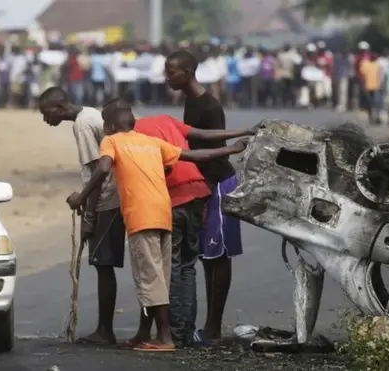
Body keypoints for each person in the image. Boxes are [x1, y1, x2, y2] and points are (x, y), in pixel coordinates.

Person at [65, 98, 249, 352]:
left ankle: (165, 337)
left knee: (150, 279)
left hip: (143, 217)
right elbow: (194, 154)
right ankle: (159, 333)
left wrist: (81, 198)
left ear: (108, 126)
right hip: (165, 213)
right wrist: (233, 149)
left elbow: (103, 168)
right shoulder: (152, 142)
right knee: (166, 275)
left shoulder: (111, 141)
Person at [131, 108, 258, 348]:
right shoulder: (165, 121)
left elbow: (165, 169)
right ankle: (185, 331)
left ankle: (174, 334)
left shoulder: (134, 139)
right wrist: (243, 134)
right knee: (188, 267)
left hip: (175, 201)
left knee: (172, 268)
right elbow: (202, 139)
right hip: (198, 196)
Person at [164, 49, 244, 344]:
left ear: (187, 71)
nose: (167, 77)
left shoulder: (210, 106)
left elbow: (215, 154)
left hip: (217, 184)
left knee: (218, 256)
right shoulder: (190, 101)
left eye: (172, 72)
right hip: (202, 184)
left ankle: (213, 327)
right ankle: (208, 326)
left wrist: (204, 198)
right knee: (207, 257)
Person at [37, 86, 124, 345]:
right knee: (103, 264)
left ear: (61, 108)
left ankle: (105, 330)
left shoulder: (83, 125)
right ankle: (104, 328)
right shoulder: (90, 114)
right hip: (109, 197)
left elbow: (99, 171)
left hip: (107, 201)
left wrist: (87, 212)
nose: (46, 120)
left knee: (103, 264)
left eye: (47, 113)